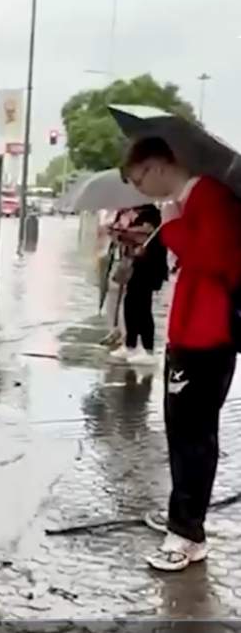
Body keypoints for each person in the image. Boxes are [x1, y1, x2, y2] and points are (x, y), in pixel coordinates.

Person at [121, 136, 241, 572]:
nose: (139, 189)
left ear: (157, 166)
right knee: (182, 431)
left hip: (207, 336)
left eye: (139, 179)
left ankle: (188, 534)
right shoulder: (192, 200)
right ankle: (182, 516)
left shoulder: (209, 197)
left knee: (193, 436)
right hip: (191, 333)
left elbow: (216, 259)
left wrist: (171, 224)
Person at [107, 203, 168, 365]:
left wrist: (128, 232)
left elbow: (148, 233)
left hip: (149, 268)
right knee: (130, 305)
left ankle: (148, 348)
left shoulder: (152, 214)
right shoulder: (131, 214)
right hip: (135, 266)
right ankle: (130, 344)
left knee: (143, 307)